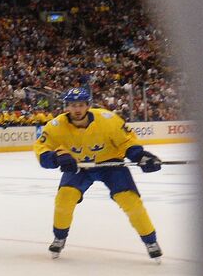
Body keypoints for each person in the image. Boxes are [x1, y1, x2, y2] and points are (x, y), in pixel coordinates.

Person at [33, 86, 163, 261]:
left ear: (88, 105)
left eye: (80, 104)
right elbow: (42, 150)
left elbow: (126, 141)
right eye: (72, 105)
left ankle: (150, 241)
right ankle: (60, 237)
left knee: (131, 202)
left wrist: (139, 156)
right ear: (66, 107)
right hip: (80, 167)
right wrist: (56, 158)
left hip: (111, 165)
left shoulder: (107, 119)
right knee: (64, 198)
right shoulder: (55, 126)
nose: (76, 109)